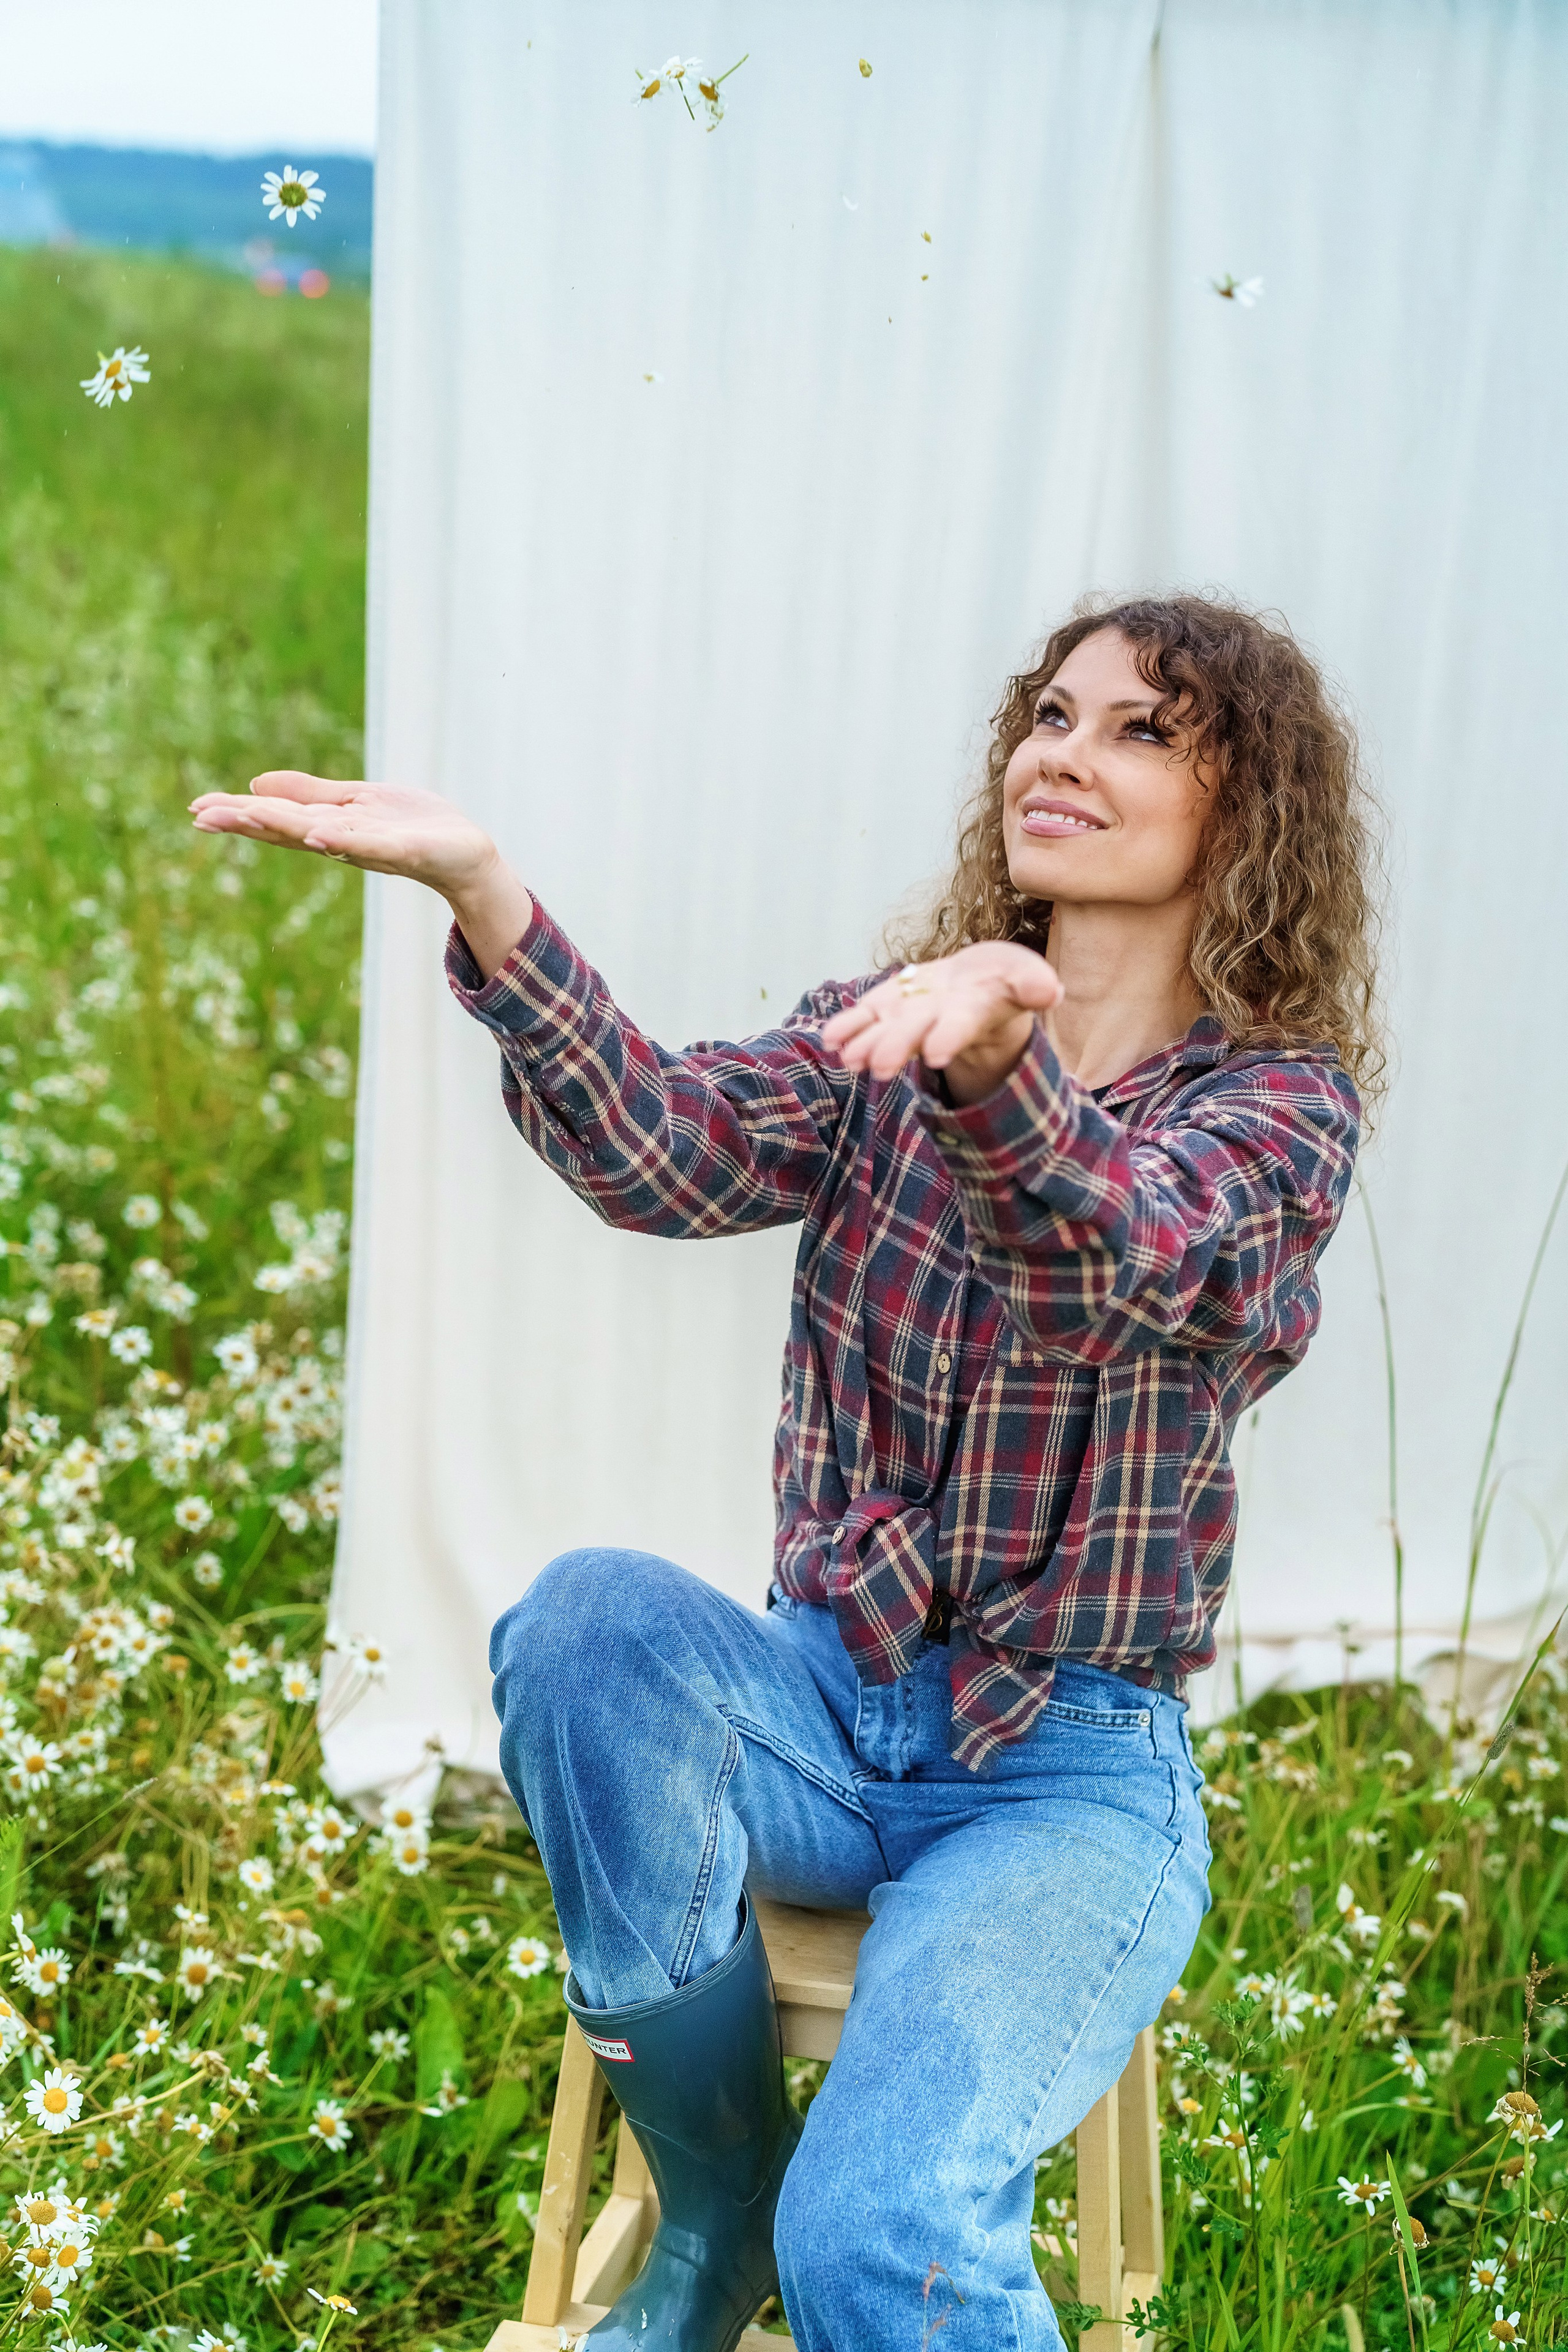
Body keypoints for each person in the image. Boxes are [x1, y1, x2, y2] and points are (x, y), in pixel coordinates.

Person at [192, 593, 1384, 2352]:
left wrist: (1001, 1072)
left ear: (1250, 807)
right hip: (821, 1705)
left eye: (1143, 727)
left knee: (886, 2239)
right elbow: (659, 1147)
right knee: (589, 1624)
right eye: (1050, 714)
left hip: (1057, 1781)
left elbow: (1124, 1264)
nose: (1065, 749)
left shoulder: (1277, 1116)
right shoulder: (889, 1035)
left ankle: (803, 2228)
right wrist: (489, 898)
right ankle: (713, 2209)